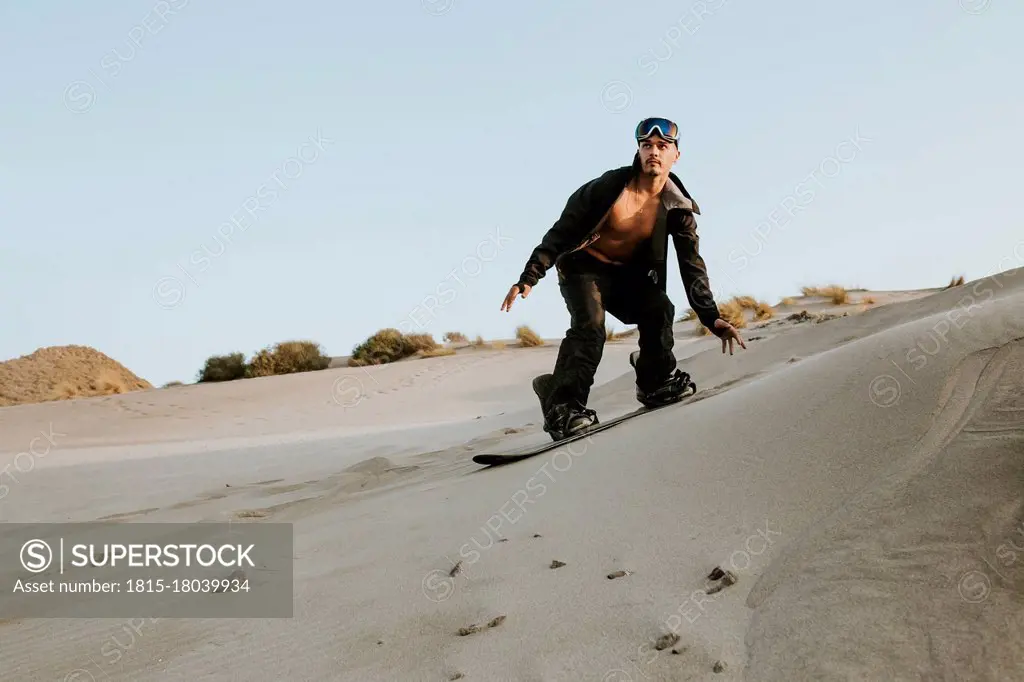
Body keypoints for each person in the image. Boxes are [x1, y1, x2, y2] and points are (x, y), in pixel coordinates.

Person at [500, 116, 746, 440]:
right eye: (647, 146)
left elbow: (692, 265)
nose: (654, 152)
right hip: (582, 269)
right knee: (590, 326)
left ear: (676, 155)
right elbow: (561, 232)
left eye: (662, 146)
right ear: (639, 151)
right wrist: (529, 276)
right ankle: (564, 407)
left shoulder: (677, 207)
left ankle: (655, 381)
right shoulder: (608, 188)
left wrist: (712, 318)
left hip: (625, 277)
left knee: (659, 307)